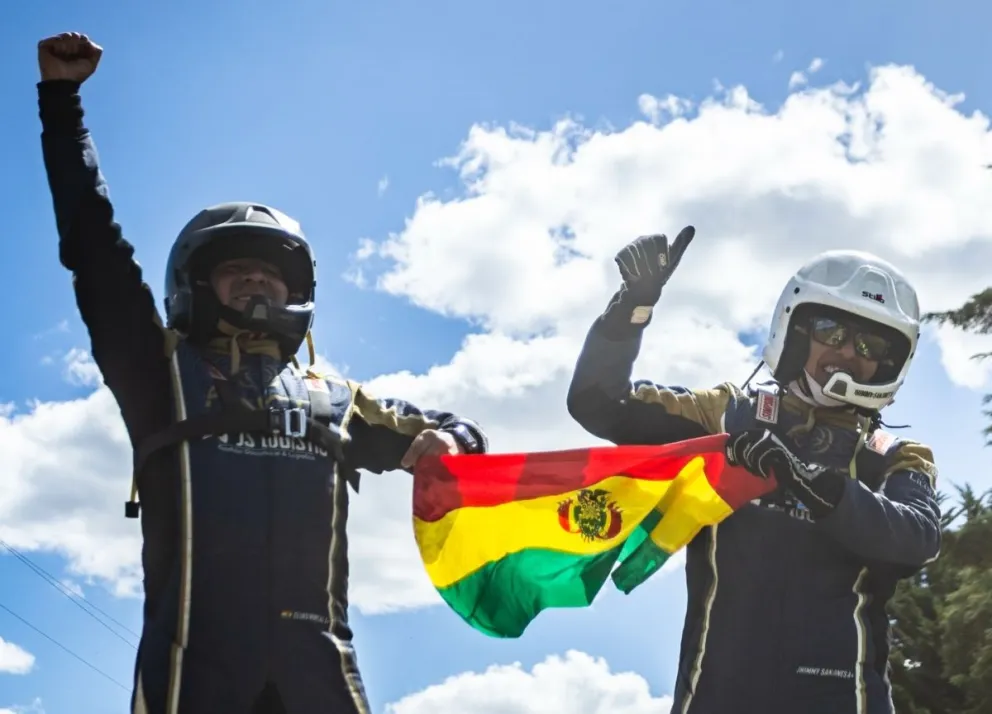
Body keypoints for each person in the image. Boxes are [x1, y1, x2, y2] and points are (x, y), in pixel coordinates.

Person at [36, 32, 489, 714]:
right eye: (236, 270)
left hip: (323, 682)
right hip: (192, 681)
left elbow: (458, 431)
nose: (257, 282)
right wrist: (62, 104)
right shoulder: (157, 373)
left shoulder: (336, 401)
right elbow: (93, 247)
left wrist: (453, 444)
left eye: (271, 274)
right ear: (195, 286)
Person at [567, 227, 941, 714]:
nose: (849, 353)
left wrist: (813, 485)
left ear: (889, 365)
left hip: (843, 701)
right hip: (715, 697)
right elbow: (600, 403)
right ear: (796, 332)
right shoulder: (727, 414)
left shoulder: (897, 454)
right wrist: (630, 309)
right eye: (833, 333)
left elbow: (916, 541)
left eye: (870, 346)